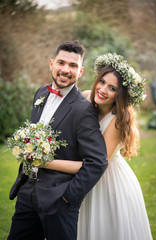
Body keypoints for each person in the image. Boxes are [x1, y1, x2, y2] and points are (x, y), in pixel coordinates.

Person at [38, 53, 153, 240]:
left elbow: (93, 165)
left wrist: (46, 162)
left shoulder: (117, 121)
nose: (103, 90)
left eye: (112, 88)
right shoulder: (85, 98)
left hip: (105, 179)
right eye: (102, 82)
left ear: (120, 95)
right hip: (81, 175)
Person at [7, 40, 108, 240]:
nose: (65, 69)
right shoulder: (41, 93)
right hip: (27, 193)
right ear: (51, 64)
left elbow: (97, 162)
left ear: (80, 72)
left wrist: (67, 197)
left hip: (58, 201)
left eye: (73, 65)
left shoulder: (84, 109)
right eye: (61, 62)